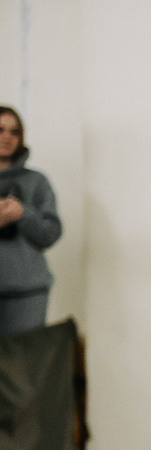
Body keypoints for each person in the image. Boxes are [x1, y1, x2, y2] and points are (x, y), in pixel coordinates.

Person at [0, 106, 62, 337]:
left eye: (14, 132)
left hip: (26, 295)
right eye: (0, 129)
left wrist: (22, 214)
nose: (7, 137)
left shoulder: (37, 182)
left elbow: (50, 234)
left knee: (22, 367)